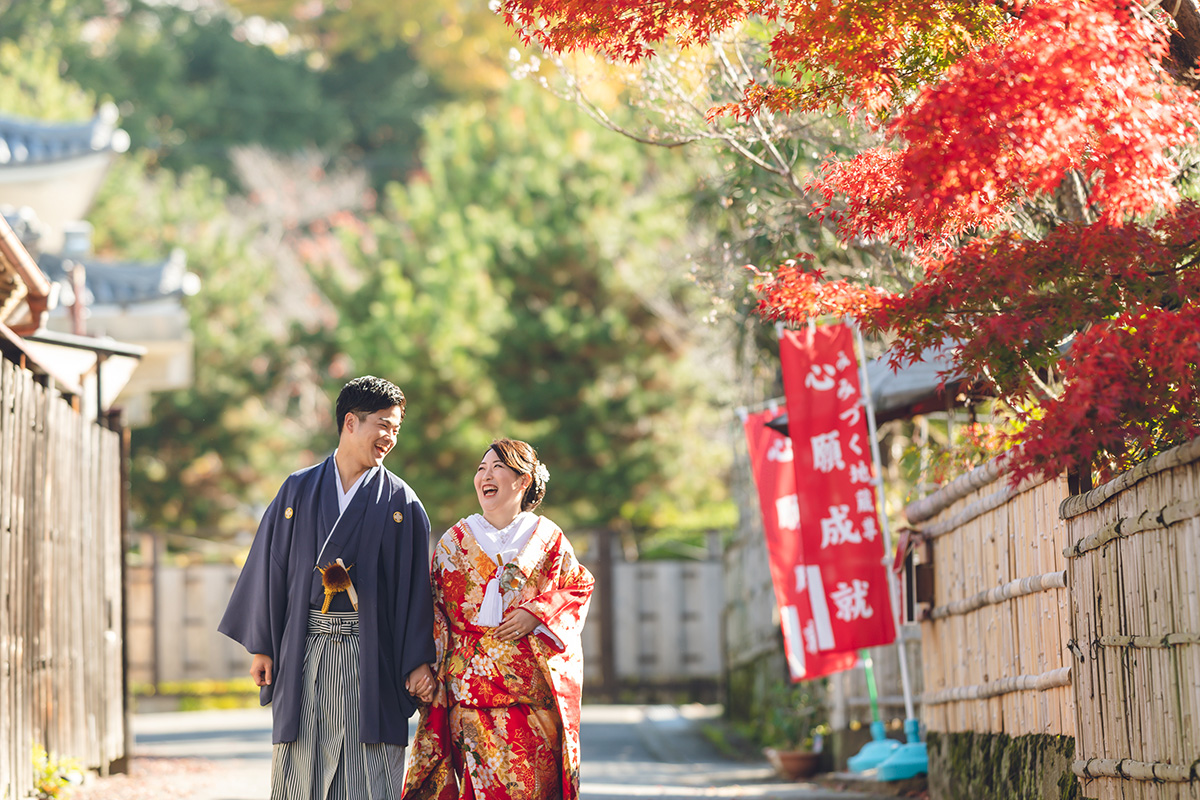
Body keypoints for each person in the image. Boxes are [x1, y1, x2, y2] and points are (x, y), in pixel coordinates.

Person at [219, 376, 437, 800]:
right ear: (350, 422)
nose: (391, 438)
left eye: (396, 429)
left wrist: (416, 661)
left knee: (368, 768)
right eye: (383, 425)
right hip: (306, 648)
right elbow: (272, 567)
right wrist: (263, 646)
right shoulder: (297, 490)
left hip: (371, 653)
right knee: (302, 767)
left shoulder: (402, 503)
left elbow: (415, 591)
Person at [404, 438, 594, 800]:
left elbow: (579, 587)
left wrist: (534, 614)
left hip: (530, 699)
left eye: (497, 467)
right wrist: (422, 665)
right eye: (480, 469)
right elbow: (432, 611)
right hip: (470, 695)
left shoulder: (548, 539)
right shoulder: (454, 542)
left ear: (522, 481)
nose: (485, 476)